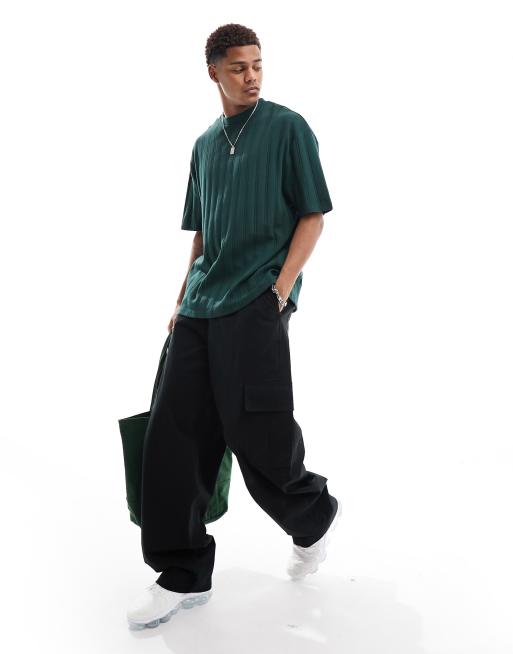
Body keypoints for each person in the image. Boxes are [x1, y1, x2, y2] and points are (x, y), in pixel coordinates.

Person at [126, 22, 341, 630]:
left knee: (259, 435)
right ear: (214, 73)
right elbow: (203, 233)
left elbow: (313, 215)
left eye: (258, 65)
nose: (251, 77)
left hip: (256, 301)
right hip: (200, 307)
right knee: (172, 437)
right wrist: (180, 300)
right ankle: (182, 573)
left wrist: (280, 289)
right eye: (239, 67)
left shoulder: (287, 128)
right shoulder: (203, 145)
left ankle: (313, 518)